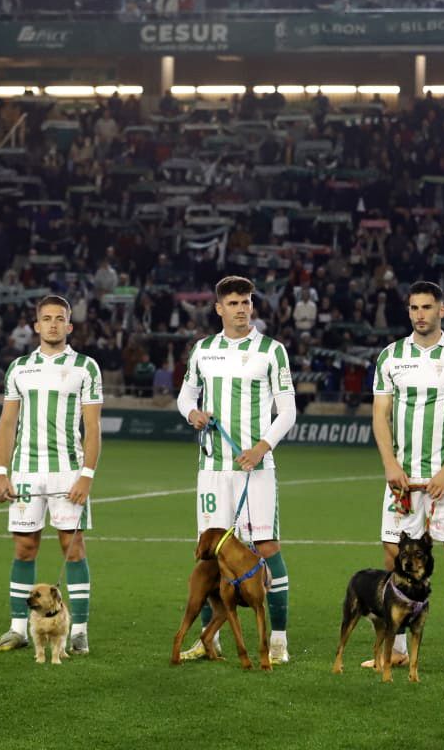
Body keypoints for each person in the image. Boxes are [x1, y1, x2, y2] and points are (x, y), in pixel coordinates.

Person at [175, 275, 296, 664]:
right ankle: (211, 639)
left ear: (252, 305)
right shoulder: (203, 350)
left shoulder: (271, 351)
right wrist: (192, 413)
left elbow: (288, 410)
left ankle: (278, 639)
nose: (241, 309)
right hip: (213, 469)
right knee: (213, 555)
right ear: (219, 308)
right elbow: (185, 395)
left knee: (266, 548)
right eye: (233, 303)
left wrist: (262, 447)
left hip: (255, 469)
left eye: (246, 302)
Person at [369, 281, 444, 673]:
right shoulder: (390, 357)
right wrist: (390, 464)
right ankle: (398, 647)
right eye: (414, 308)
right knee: (392, 556)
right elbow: (380, 415)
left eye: (427, 307)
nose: (420, 314)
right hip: (402, 477)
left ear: (442, 310)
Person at [0, 295, 103, 655]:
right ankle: (18, 629)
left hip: (67, 472)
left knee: (73, 550)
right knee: (24, 549)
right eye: (46, 318)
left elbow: (93, 425)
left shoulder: (86, 367)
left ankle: (79, 630)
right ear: (36, 326)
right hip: (25, 472)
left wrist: (86, 475)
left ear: (70, 326)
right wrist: (1, 472)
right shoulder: (19, 368)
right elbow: (7, 423)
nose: (53, 324)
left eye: (60, 319)